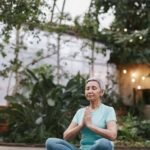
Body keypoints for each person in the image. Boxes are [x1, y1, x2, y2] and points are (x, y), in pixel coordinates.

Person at [45, 77, 117, 150]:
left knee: (103, 143)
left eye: (94, 88)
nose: (90, 91)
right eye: (87, 89)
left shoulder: (108, 110)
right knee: (50, 142)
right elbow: (66, 136)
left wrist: (90, 125)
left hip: (99, 148)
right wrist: (81, 125)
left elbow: (112, 135)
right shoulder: (80, 112)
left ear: (101, 92)